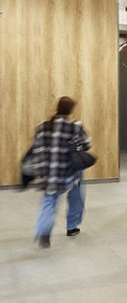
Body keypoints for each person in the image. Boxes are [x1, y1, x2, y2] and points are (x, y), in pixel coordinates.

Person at [30, 96, 90, 248]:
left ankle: (44, 231)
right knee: (76, 197)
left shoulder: (42, 126)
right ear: (70, 110)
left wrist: (40, 170)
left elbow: (37, 150)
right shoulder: (75, 126)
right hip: (71, 172)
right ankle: (72, 227)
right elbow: (87, 145)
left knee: (49, 201)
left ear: (57, 108)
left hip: (50, 173)